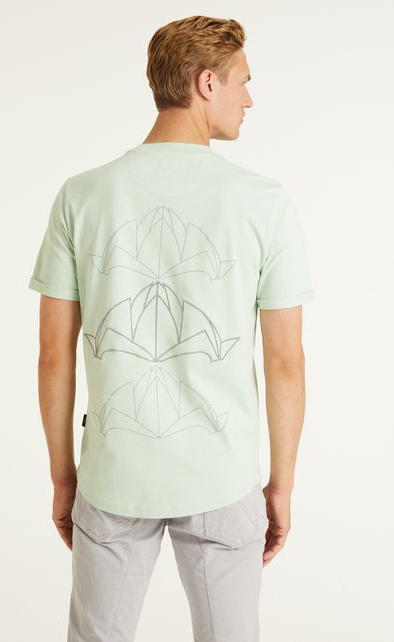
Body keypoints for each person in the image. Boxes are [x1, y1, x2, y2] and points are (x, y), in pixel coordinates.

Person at [28, 15, 315, 642]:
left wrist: (63, 477)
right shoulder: (262, 201)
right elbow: (285, 360)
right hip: (222, 475)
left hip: (113, 473)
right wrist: (281, 485)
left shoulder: (82, 195)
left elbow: (54, 354)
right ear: (206, 83)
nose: (249, 99)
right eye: (243, 81)